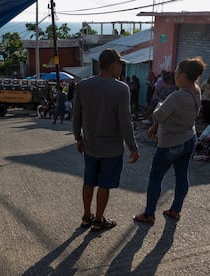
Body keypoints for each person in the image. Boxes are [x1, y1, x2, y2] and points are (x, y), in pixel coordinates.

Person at [73, 48, 139, 232]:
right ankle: (98, 220)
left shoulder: (83, 85)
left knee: (88, 181)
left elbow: (76, 115)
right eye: (119, 64)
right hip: (111, 149)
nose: (121, 68)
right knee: (104, 185)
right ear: (112, 66)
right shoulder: (121, 89)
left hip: (90, 146)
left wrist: (78, 137)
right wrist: (133, 147)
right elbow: (125, 122)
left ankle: (87, 216)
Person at [134, 56, 206, 225]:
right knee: (182, 176)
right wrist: (155, 127)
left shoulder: (177, 96)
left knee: (155, 177)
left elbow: (158, 115)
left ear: (182, 75)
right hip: (189, 137)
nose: (174, 76)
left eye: (176, 73)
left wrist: (159, 105)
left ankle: (149, 214)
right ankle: (175, 210)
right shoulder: (197, 90)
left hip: (171, 143)